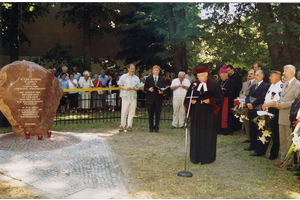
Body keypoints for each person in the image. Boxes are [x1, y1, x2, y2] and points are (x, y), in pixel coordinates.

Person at [184, 66, 223, 164]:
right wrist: (191, 101)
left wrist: (210, 100)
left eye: (201, 76)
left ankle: (207, 157)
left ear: (206, 74)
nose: (199, 78)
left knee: (208, 135)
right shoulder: (193, 85)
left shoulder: (214, 84)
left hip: (209, 113)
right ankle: (195, 157)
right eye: (198, 76)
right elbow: (187, 98)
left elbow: (220, 99)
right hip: (197, 113)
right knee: (196, 134)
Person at [252, 69, 282, 159]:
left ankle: (273, 154)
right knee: (264, 130)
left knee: (275, 133)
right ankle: (260, 151)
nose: (270, 77)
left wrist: (266, 105)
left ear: (277, 76)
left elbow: (277, 101)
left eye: (271, 75)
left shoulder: (280, 86)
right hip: (267, 110)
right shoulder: (272, 85)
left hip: (274, 111)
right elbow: (267, 97)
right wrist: (265, 105)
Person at [275, 65, 300, 168]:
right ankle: (282, 159)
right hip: (281, 114)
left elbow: (296, 102)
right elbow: (283, 97)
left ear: (291, 72)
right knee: (282, 138)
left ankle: (288, 161)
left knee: (289, 138)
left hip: (290, 116)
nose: (283, 73)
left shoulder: (297, 84)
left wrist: (283, 105)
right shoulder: (285, 84)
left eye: (285, 71)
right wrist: (278, 102)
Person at [244, 70, 269, 152]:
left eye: (258, 75)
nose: (256, 76)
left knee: (258, 128)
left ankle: (258, 147)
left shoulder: (265, 86)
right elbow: (248, 96)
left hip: (258, 109)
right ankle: (252, 144)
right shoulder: (253, 86)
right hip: (251, 109)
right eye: (255, 75)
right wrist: (247, 103)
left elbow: (262, 97)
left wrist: (253, 104)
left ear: (262, 76)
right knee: (251, 128)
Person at [118, 64, 140, 132]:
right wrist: (126, 88)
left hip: (133, 97)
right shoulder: (123, 77)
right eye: (131, 68)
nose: (132, 70)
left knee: (132, 112)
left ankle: (129, 126)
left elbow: (139, 87)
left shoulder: (136, 78)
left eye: (134, 68)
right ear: (128, 69)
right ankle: (122, 125)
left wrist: (135, 89)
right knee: (124, 111)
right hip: (125, 96)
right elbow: (120, 85)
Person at [144, 65, 166, 132]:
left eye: (157, 70)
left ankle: (156, 127)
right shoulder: (148, 78)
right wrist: (149, 89)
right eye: (155, 70)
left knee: (158, 114)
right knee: (150, 114)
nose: (156, 71)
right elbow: (145, 88)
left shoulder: (162, 79)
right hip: (150, 99)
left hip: (158, 99)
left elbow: (164, 88)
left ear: (159, 71)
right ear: (152, 71)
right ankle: (151, 127)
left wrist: (161, 91)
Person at [239, 69, 256, 143]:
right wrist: (241, 96)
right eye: (249, 74)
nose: (249, 75)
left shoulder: (256, 83)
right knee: (246, 120)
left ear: (255, 75)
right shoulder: (245, 83)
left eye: (251, 74)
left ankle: (253, 138)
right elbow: (241, 92)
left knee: (252, 122)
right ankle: (248, 137)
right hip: (244, 104)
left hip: (252, 105)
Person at [217, 65, 235, 135]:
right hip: (220, 101)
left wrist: (224, 92)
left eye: (223, 76)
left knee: (228, 116)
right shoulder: (219, 82)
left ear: (226, 75)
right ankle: (220, 129)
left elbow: (232, 91)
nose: (222, 78)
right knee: (219, 115)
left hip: (228, 101)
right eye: (221, 76)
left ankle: (227, 130)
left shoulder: (231, 81)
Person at [227, 65, 243, 131]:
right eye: (227, 70)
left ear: (232, 69)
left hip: (235, 96)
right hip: (229, 97)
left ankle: (237, 127)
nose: (228, 72)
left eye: (229, 70)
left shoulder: (237, 77)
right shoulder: (227, 77)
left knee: (236, 111)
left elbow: (239, 87)